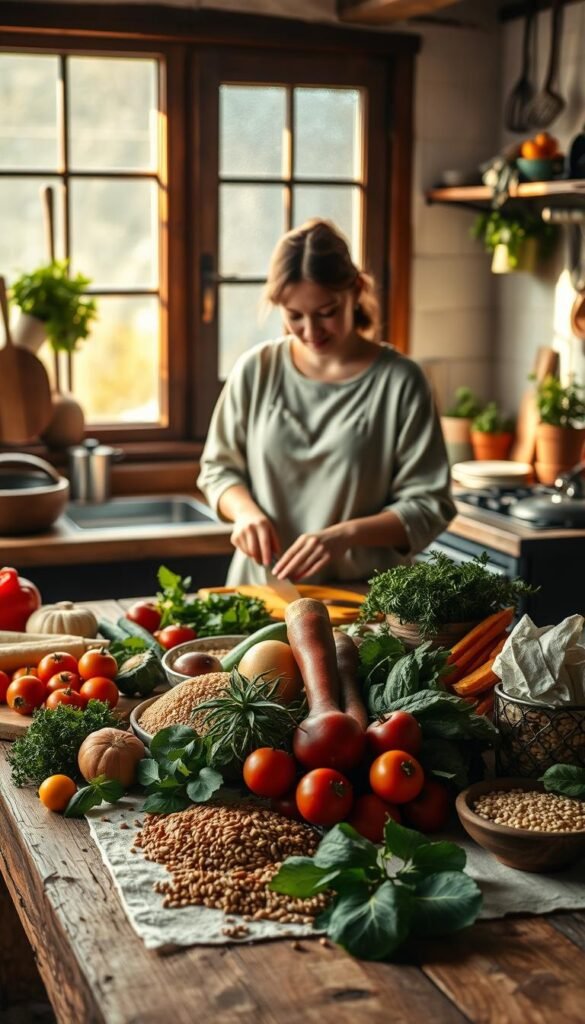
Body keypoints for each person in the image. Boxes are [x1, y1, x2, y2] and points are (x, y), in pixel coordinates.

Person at [197, 218, 456, 586]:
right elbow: (217, 470)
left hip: (364, 603)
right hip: (261, 594)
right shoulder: (257, 370)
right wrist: (244, 513)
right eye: (294, 316)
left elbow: (430, 506)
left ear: (355, 291)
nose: (311, 331)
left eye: (326, 312)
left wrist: (345, 535)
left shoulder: (401, 381)